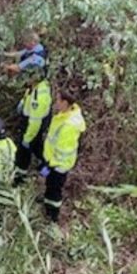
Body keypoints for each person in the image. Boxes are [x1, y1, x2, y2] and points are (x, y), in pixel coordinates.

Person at [39, 88, 86, 222]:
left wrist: (50, 165)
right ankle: (47, 204)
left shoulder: (69, 125)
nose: (56, 103)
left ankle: (52, 215)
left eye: (58, 100)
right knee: (50, 186)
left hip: (59, 165)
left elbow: (62, 150)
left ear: (65, 103)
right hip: (54, 161)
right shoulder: (64, 116)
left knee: (55, 190)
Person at [14, 67, 52, 182]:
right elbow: (29, 93)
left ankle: (20, 176)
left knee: (24, 151)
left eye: (28, 77)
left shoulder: (38, 96)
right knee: (37, 146)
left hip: (33, 126)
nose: (26, 79)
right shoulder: (38, 86)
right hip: (34, 122)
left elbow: (35, 122)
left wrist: (27, 138)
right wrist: (23, 102)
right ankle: (45, 163)